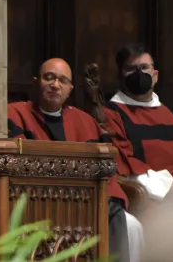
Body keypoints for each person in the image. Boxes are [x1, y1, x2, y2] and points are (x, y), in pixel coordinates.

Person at [8, 58, 143, 262]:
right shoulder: (15, 114)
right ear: (36, 82)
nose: (55, 85)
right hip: (38, 202)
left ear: (70, 89)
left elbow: (108, 168)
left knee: (131, 225)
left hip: (88, 202)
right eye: (49, 77)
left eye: (62, 81)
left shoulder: (86, 122)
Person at [103, 43, 173, 202]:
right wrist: (169, 186)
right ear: (121, 76)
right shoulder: (112, 113)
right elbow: (125, 169)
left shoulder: (170, 113)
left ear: (155, 75)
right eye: (131, 69)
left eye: (144, 67)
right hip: (151, 198)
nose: (139, 74)